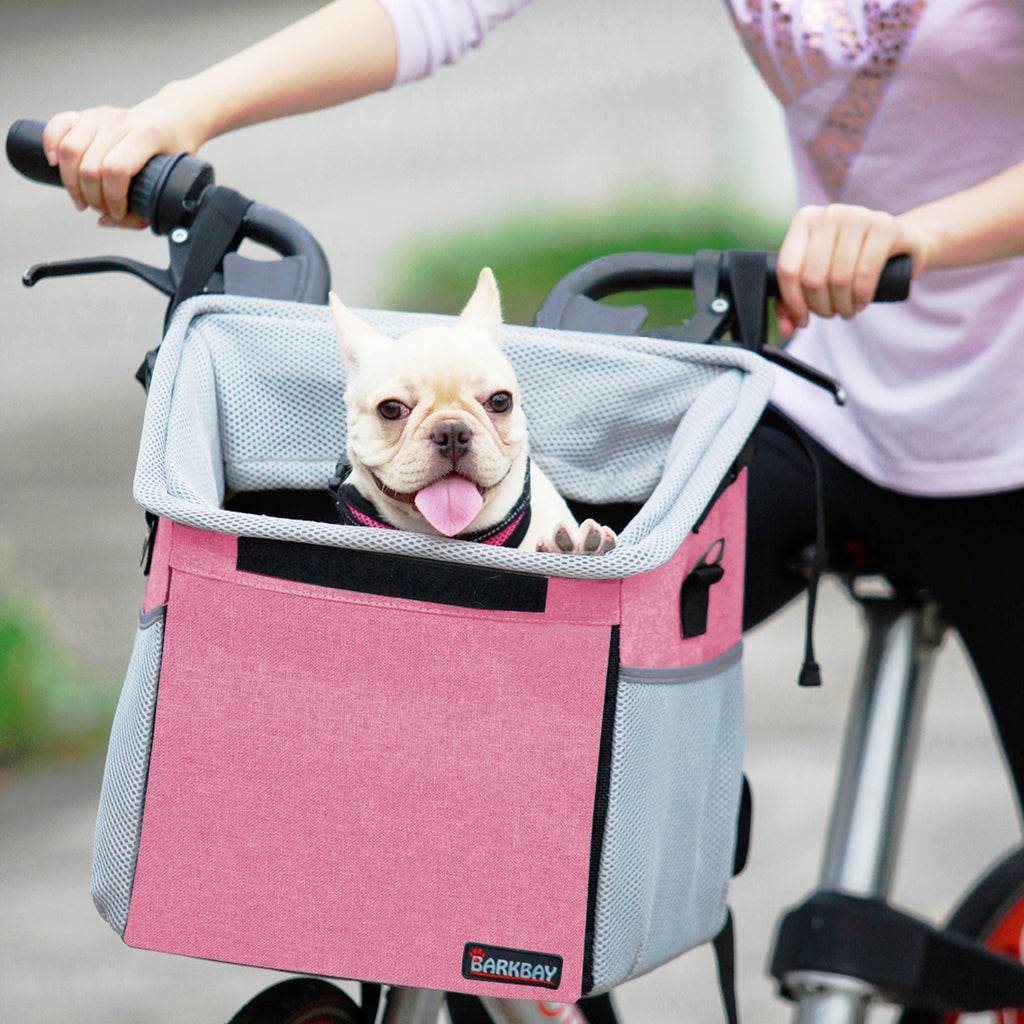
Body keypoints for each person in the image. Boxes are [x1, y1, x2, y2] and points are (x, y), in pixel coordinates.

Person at [43, 0, 1024, 805]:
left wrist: (921, 237)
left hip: (1009, 437)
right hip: (818, 412)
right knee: (495, 729)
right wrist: (182, 109)